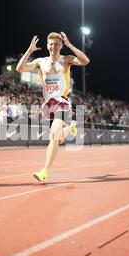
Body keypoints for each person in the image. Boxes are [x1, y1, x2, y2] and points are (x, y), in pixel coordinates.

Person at [16, 32, 90, 182]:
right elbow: (20, 68)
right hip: (48, 105)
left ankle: (45, 171)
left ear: (61, 46)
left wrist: (70, 45)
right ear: (47, 45)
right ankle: (71, 128)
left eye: (56, 44)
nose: (53, 47)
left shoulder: (66, 60)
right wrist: (29, 51)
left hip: (62, 102)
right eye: (51, 44)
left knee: (54, 136)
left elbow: (85, 60)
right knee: (57, 139)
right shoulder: (40, 61)